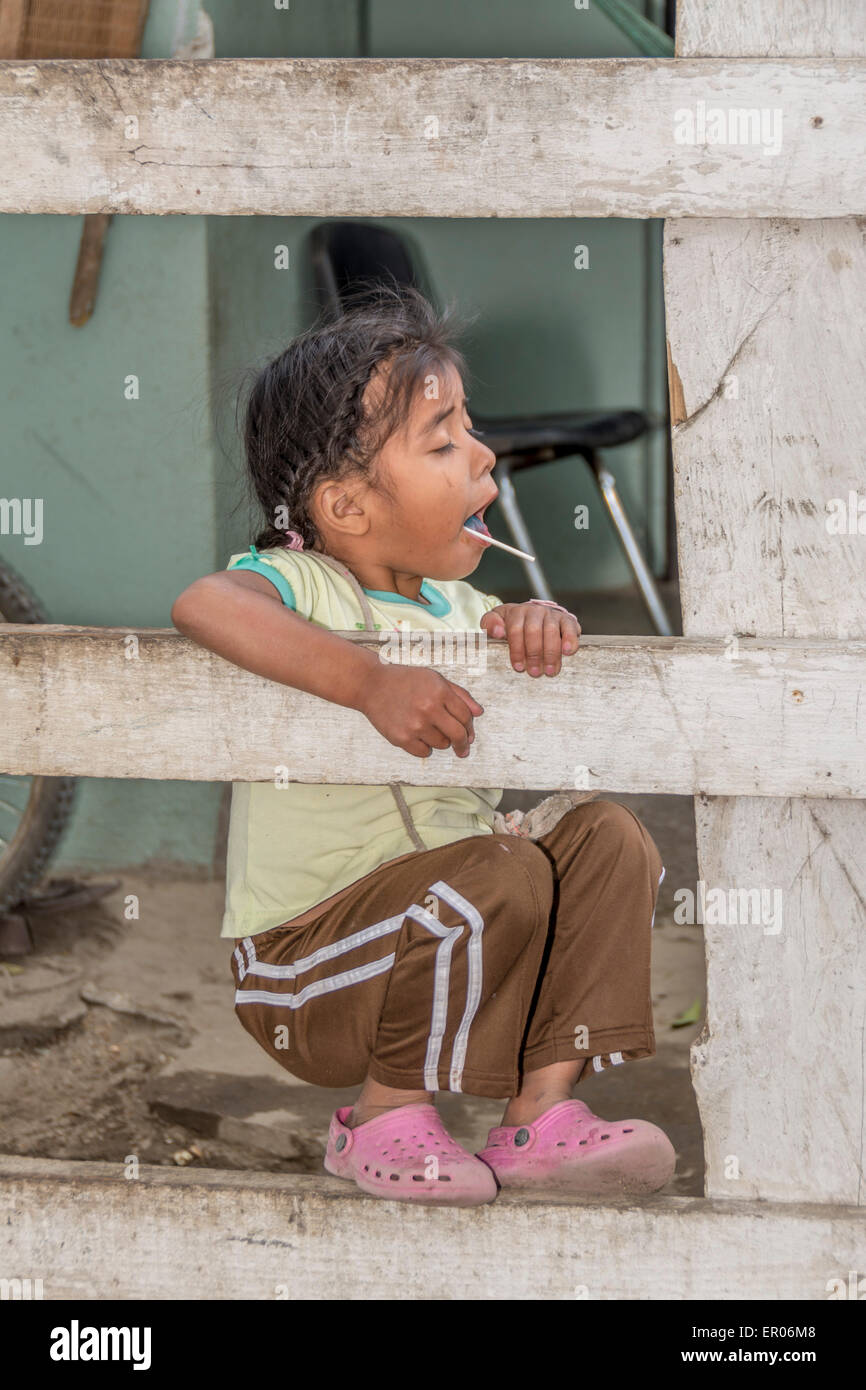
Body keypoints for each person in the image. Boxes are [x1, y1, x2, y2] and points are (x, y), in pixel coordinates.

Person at [171, 283, 674, 1207]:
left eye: (468, 431)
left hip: (449, 924)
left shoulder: (459, 606)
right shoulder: (298, 583)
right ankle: (379, 1118)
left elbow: (515, 632)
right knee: (501, 872)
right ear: (348, 507)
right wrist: (368, 683)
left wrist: (536, 618)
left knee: (609, 837)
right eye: (443, 442)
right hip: (306, 972)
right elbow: (202, 606)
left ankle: (542, 1117)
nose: (483, 455)